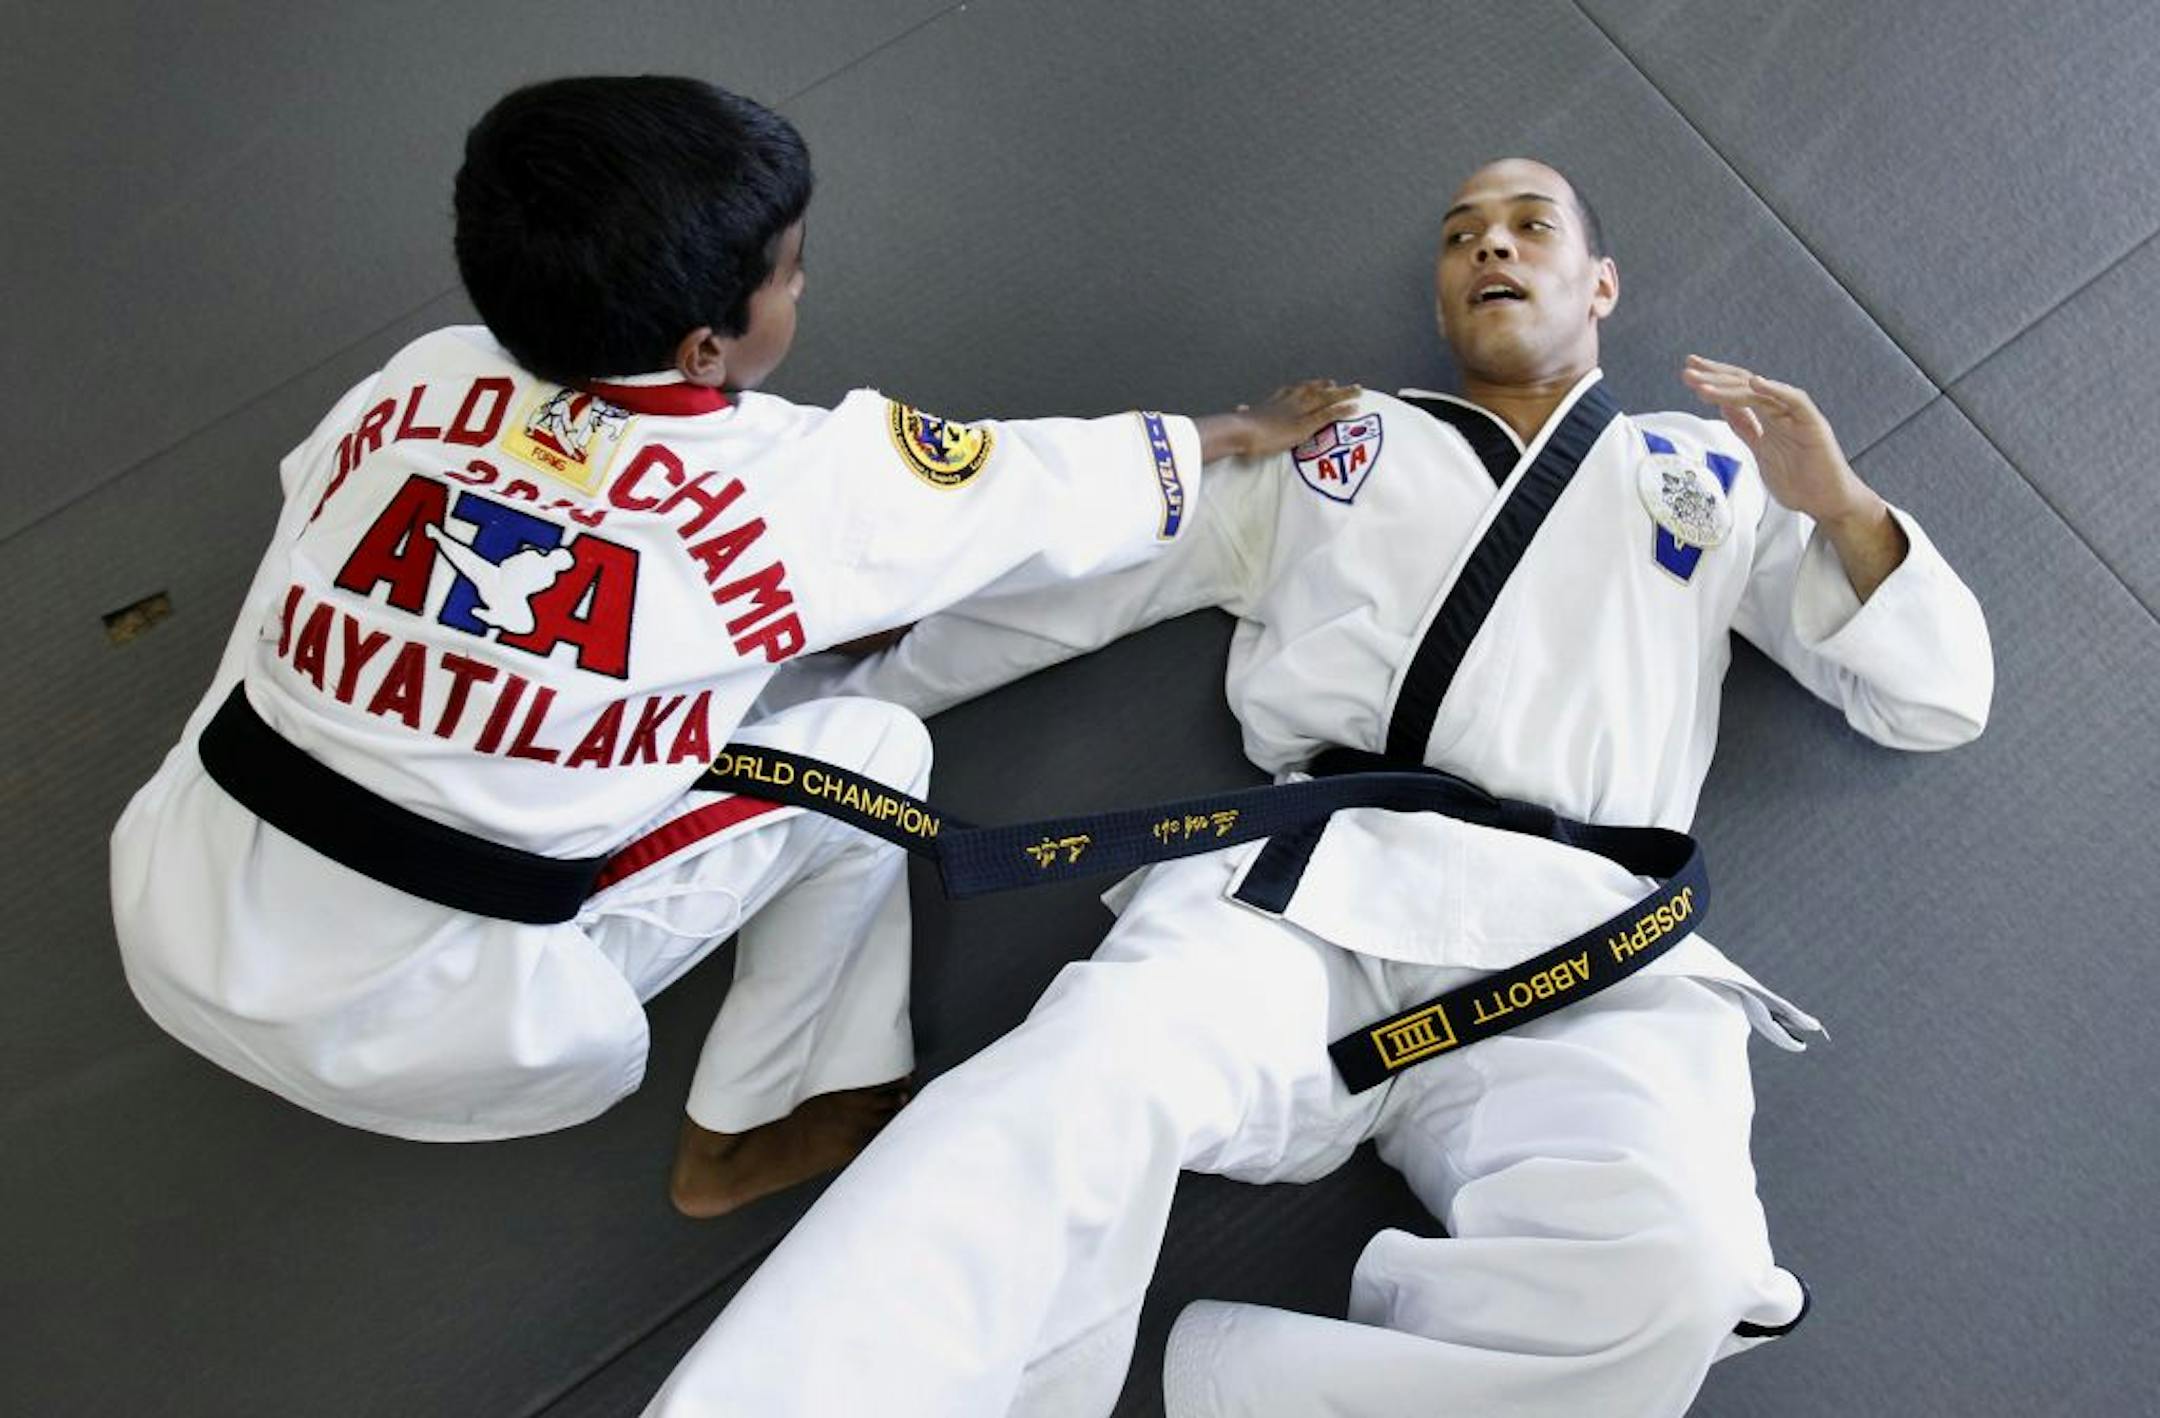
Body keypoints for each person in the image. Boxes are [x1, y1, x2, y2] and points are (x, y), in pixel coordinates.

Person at [639, 157, 1995, 1414]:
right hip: (1308, 910)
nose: (1490, 248)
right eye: (1462, 237)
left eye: (1529, 226)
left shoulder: (1705, 471)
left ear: (1600, 283)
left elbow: (1933, 699)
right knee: (1070, 1078)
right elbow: (1090, 586)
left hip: (1579, 957)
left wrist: (1841, 506)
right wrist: (808, 707)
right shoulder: (1339, 444)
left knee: (1675, 1274)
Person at [107, 75, 1356, 1217]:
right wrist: (1229, 431)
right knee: (870, 749)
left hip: (178, 904)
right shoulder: (802, 481)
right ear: (706, 347)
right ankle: (748, 1123)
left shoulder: (416, 377)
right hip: (451, 1029)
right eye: (791, 272)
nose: (800, 288)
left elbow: (315, 499)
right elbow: (1033, 488)